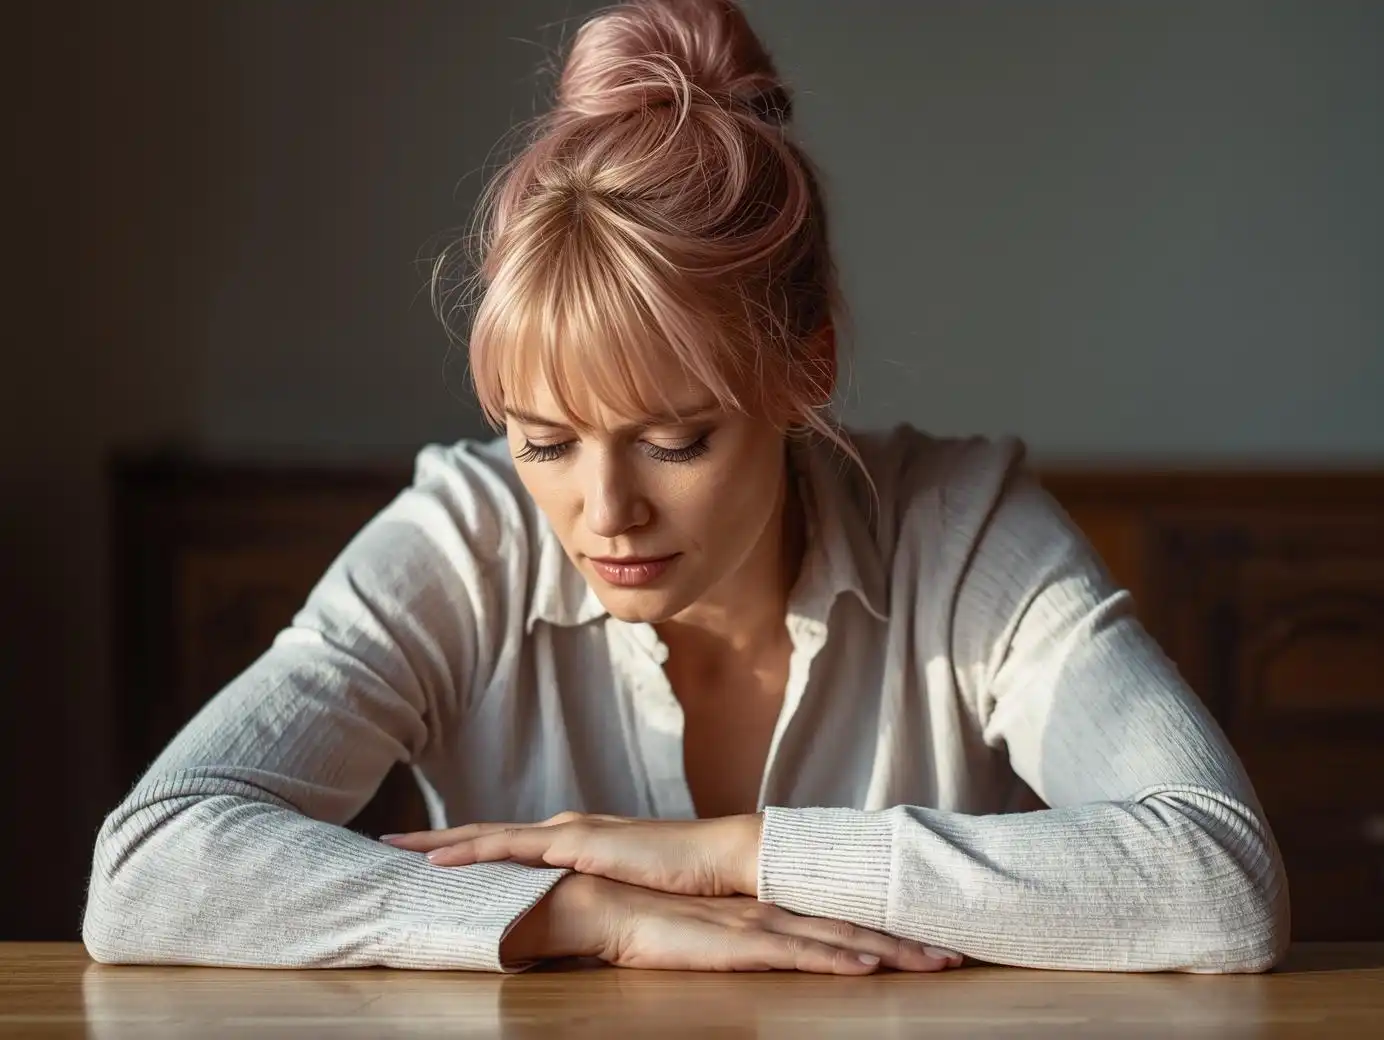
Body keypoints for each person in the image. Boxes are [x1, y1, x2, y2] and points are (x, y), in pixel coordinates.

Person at [82, 0, 1289, 976]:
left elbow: (1214, 878)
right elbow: (150, 865)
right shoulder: (465, 534)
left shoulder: (958, 527)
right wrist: (577, 910)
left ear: (802, 367)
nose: (603, 511)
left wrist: (720, 858)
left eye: (672, 441)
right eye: (543, 440)